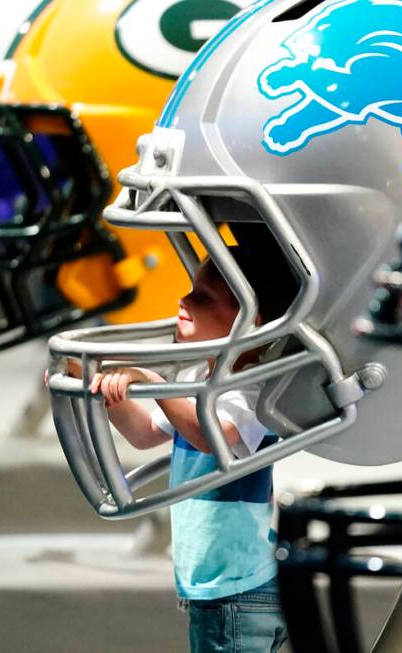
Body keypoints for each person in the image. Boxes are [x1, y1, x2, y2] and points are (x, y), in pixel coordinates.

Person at [81, 240, 296, 653]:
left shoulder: (252, 392)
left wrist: (156, 384)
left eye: (202, 297)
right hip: (218, 588)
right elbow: (144, 434)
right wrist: (103, 386)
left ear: (251, 321)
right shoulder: (203, 380)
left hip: (238, 589)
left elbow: (214, 436)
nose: (182, 300)